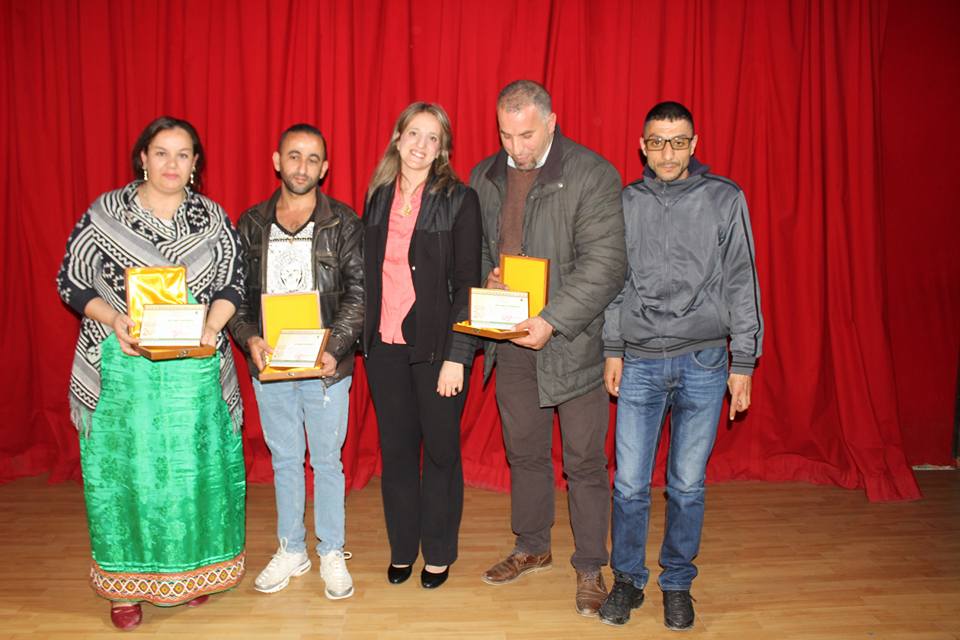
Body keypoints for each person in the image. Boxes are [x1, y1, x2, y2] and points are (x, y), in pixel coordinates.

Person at [56, 116, 246, 631]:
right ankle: (125, 588)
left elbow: (234, 284)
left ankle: (193, 573)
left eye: (183, 155)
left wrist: (212, 325)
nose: (171, 164)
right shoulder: (105, 213)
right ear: (142, 157)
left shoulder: (211, 218)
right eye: (161, 153)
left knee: (194, 478)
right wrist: (115, 317)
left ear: (195, 165)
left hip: (195, 372)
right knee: (126, 480)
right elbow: (71, 281)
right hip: (122, 369)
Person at [599, 101, 764, 630]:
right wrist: (613, 347)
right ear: (641, 146)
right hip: (642, 360)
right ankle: (627, 579)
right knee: (628, 483)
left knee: (688, 484)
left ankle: (677, 582)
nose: (667, 153)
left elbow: (742, 279)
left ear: (694, 144)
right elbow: (612, 282)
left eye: (678, 141)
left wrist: (745, 359)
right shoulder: (624, 202)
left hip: (706, 359)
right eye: (656, 142)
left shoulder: (724, 198)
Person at [470, 80, 627, 616]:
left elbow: (606, 264)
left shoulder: (592, 173)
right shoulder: (484, 175)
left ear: (553, 122)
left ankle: (590, 565)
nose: (516, 147)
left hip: (573, 343)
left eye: (527, 134)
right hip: (511, 342)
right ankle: (532, 546)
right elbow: (478, 252)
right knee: (525, 454)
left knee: (584, 461)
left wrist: (552, 320)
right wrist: (486, 282)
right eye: (506, 134)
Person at [227, 124, 363, 600]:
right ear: (276, 160)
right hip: (272, 365)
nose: (302, 166)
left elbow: (359, 296)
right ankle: (291, 548)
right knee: (285, 459)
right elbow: (235, 298)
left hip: (326, 367)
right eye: (294, 156)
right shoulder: (250, 224)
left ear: (324, 168)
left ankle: (331, 550)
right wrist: (248, 338)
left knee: (327, 461)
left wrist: (336, 348)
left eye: (312, 158)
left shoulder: (344, 223)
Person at [361, 102, 481, 590]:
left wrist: (458, 356)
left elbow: (468, 283)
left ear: (443, 148)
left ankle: (438, 551)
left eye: (432, 138)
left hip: (437, 351)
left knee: (440, 455)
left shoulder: (459, 199)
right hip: (384, 347)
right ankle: (403, 548)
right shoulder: (376, 197)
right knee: (396, 453)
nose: (420, 145)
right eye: (414, 133)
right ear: (397, 137)